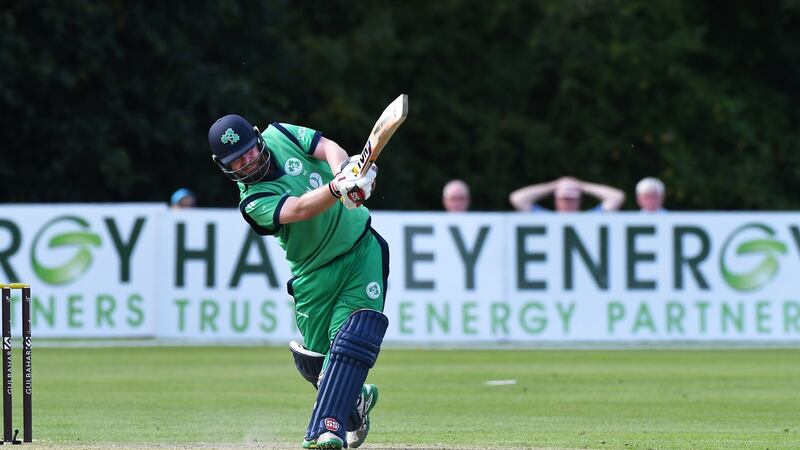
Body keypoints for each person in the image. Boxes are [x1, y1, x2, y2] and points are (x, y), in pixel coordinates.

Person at [207, 114, 389, 450]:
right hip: (312, 275)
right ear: (225, 166)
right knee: (315, 365)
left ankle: (325, 431)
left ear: (258, 139)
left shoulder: (280, 134)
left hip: (360, 249)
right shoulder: (252, 201)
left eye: (249, 151)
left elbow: (328, 148)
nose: (247, 161)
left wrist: (347, 172)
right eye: (238, 161)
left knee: (351, 339)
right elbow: (301, 209)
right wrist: (337, 188)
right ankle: (355, 405)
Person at [509, 176, 625, 212]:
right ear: (557, 200)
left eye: (571, 199)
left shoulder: (591, 218)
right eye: (564, 199)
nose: (567, 203)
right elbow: (517, 198)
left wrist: (582, 185)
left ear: (579, 201)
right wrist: (553, 185)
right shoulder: (544, 218)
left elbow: (617, 197)